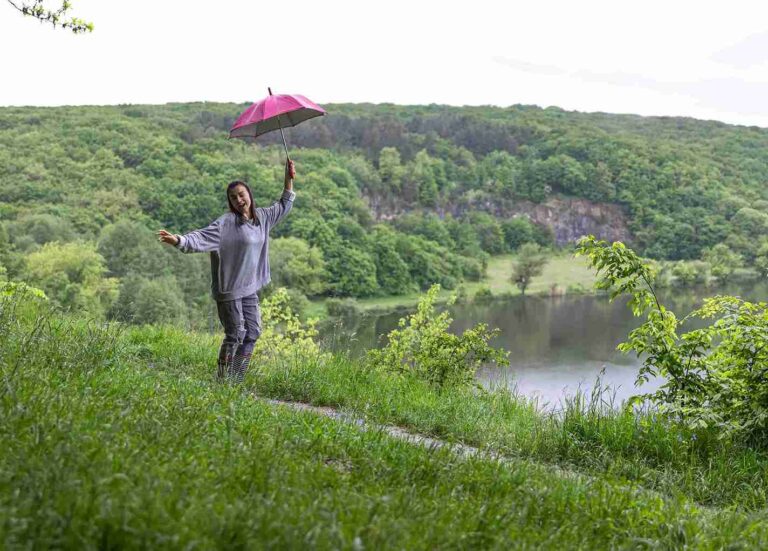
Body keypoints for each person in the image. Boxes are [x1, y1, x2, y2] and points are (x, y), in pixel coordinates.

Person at [157, 159, 296, 383]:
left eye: (241, 194)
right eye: (233, 198)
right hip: (229, 290)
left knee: (252, 333)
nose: (239, 200)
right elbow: (200, 237)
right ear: (230, 202)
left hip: (249, 287)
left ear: (249, 194)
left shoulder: (263, 218)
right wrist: (177, 240)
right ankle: (223, 382)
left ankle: (236, 380)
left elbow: (284, 204)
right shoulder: (226, 224)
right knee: (236, 334)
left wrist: (289, 177)